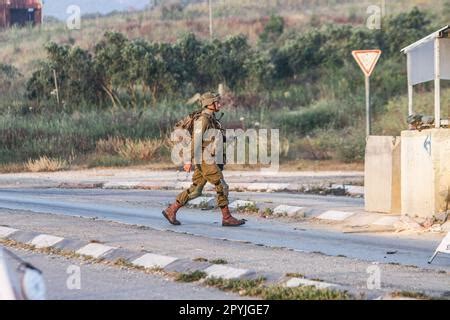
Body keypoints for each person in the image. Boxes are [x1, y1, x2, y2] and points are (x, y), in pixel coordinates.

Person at [162, 92, 245, 227]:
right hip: (205, 159)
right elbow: (196, 141)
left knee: (196, 189)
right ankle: (227, 217)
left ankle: (171, 210)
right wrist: (188, 160)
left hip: (207, 158)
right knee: (221, 185)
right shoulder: (203, 120)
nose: (219, 104)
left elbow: (212, 137)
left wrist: (229, 137)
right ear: (209, 104)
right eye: (216, 102)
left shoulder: (211, 118)